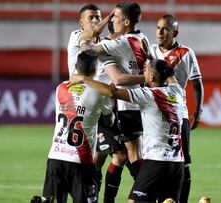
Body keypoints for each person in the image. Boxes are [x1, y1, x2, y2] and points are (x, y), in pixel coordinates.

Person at [68, 59, 185, 203]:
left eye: (146, 70)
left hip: (157, 161)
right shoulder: (178, 91)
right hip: (177, 163)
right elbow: (170, 77)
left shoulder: (148, 96)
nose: (143, 72)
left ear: (152, 77)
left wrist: (83, 78)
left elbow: (112, 91)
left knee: (133, 201)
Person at [74, 2, 149, 181]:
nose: (111, 20)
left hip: (124, 103)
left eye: (114, 17)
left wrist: (84, 41)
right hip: (131, 102)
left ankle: (145, 192)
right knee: (122, 155)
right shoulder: (142, 38)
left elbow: (90, 53)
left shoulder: (121, 42)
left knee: (130, 155)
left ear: (126, 22)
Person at [38, 50, 115, 203]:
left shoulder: (60, 88)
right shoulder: (99, 93)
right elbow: (109, 121)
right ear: (94, 71)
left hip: (56, 158)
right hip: (81, 161)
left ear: (75, 66)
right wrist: (111, 104)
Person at [150, 14, 204, 203]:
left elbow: (197, 83)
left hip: (178, 115)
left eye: (164, 28)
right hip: (153, 116)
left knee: (182, 161)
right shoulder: (150, 51)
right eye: (158, 28)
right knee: (155, 161)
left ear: (175, 32)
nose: (160, 32)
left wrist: (198, 111)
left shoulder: (186, 53)